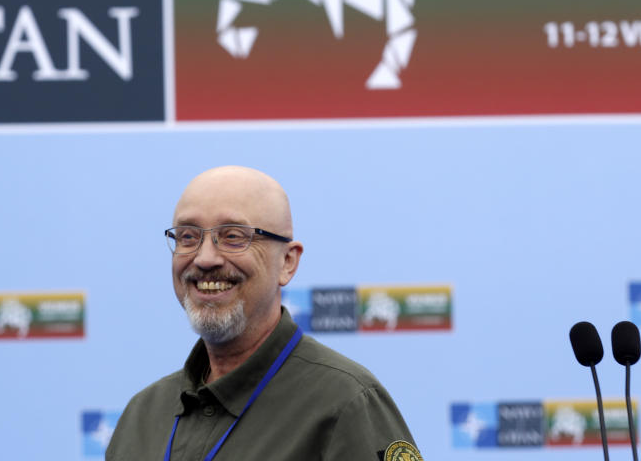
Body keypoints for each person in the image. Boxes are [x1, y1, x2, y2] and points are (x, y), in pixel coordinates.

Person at [106, 166, 422, 461]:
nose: (204, 258)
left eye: (232, 236)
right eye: (188, 237)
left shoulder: (346, 404)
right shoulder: (142, 415)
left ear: (287, 262)